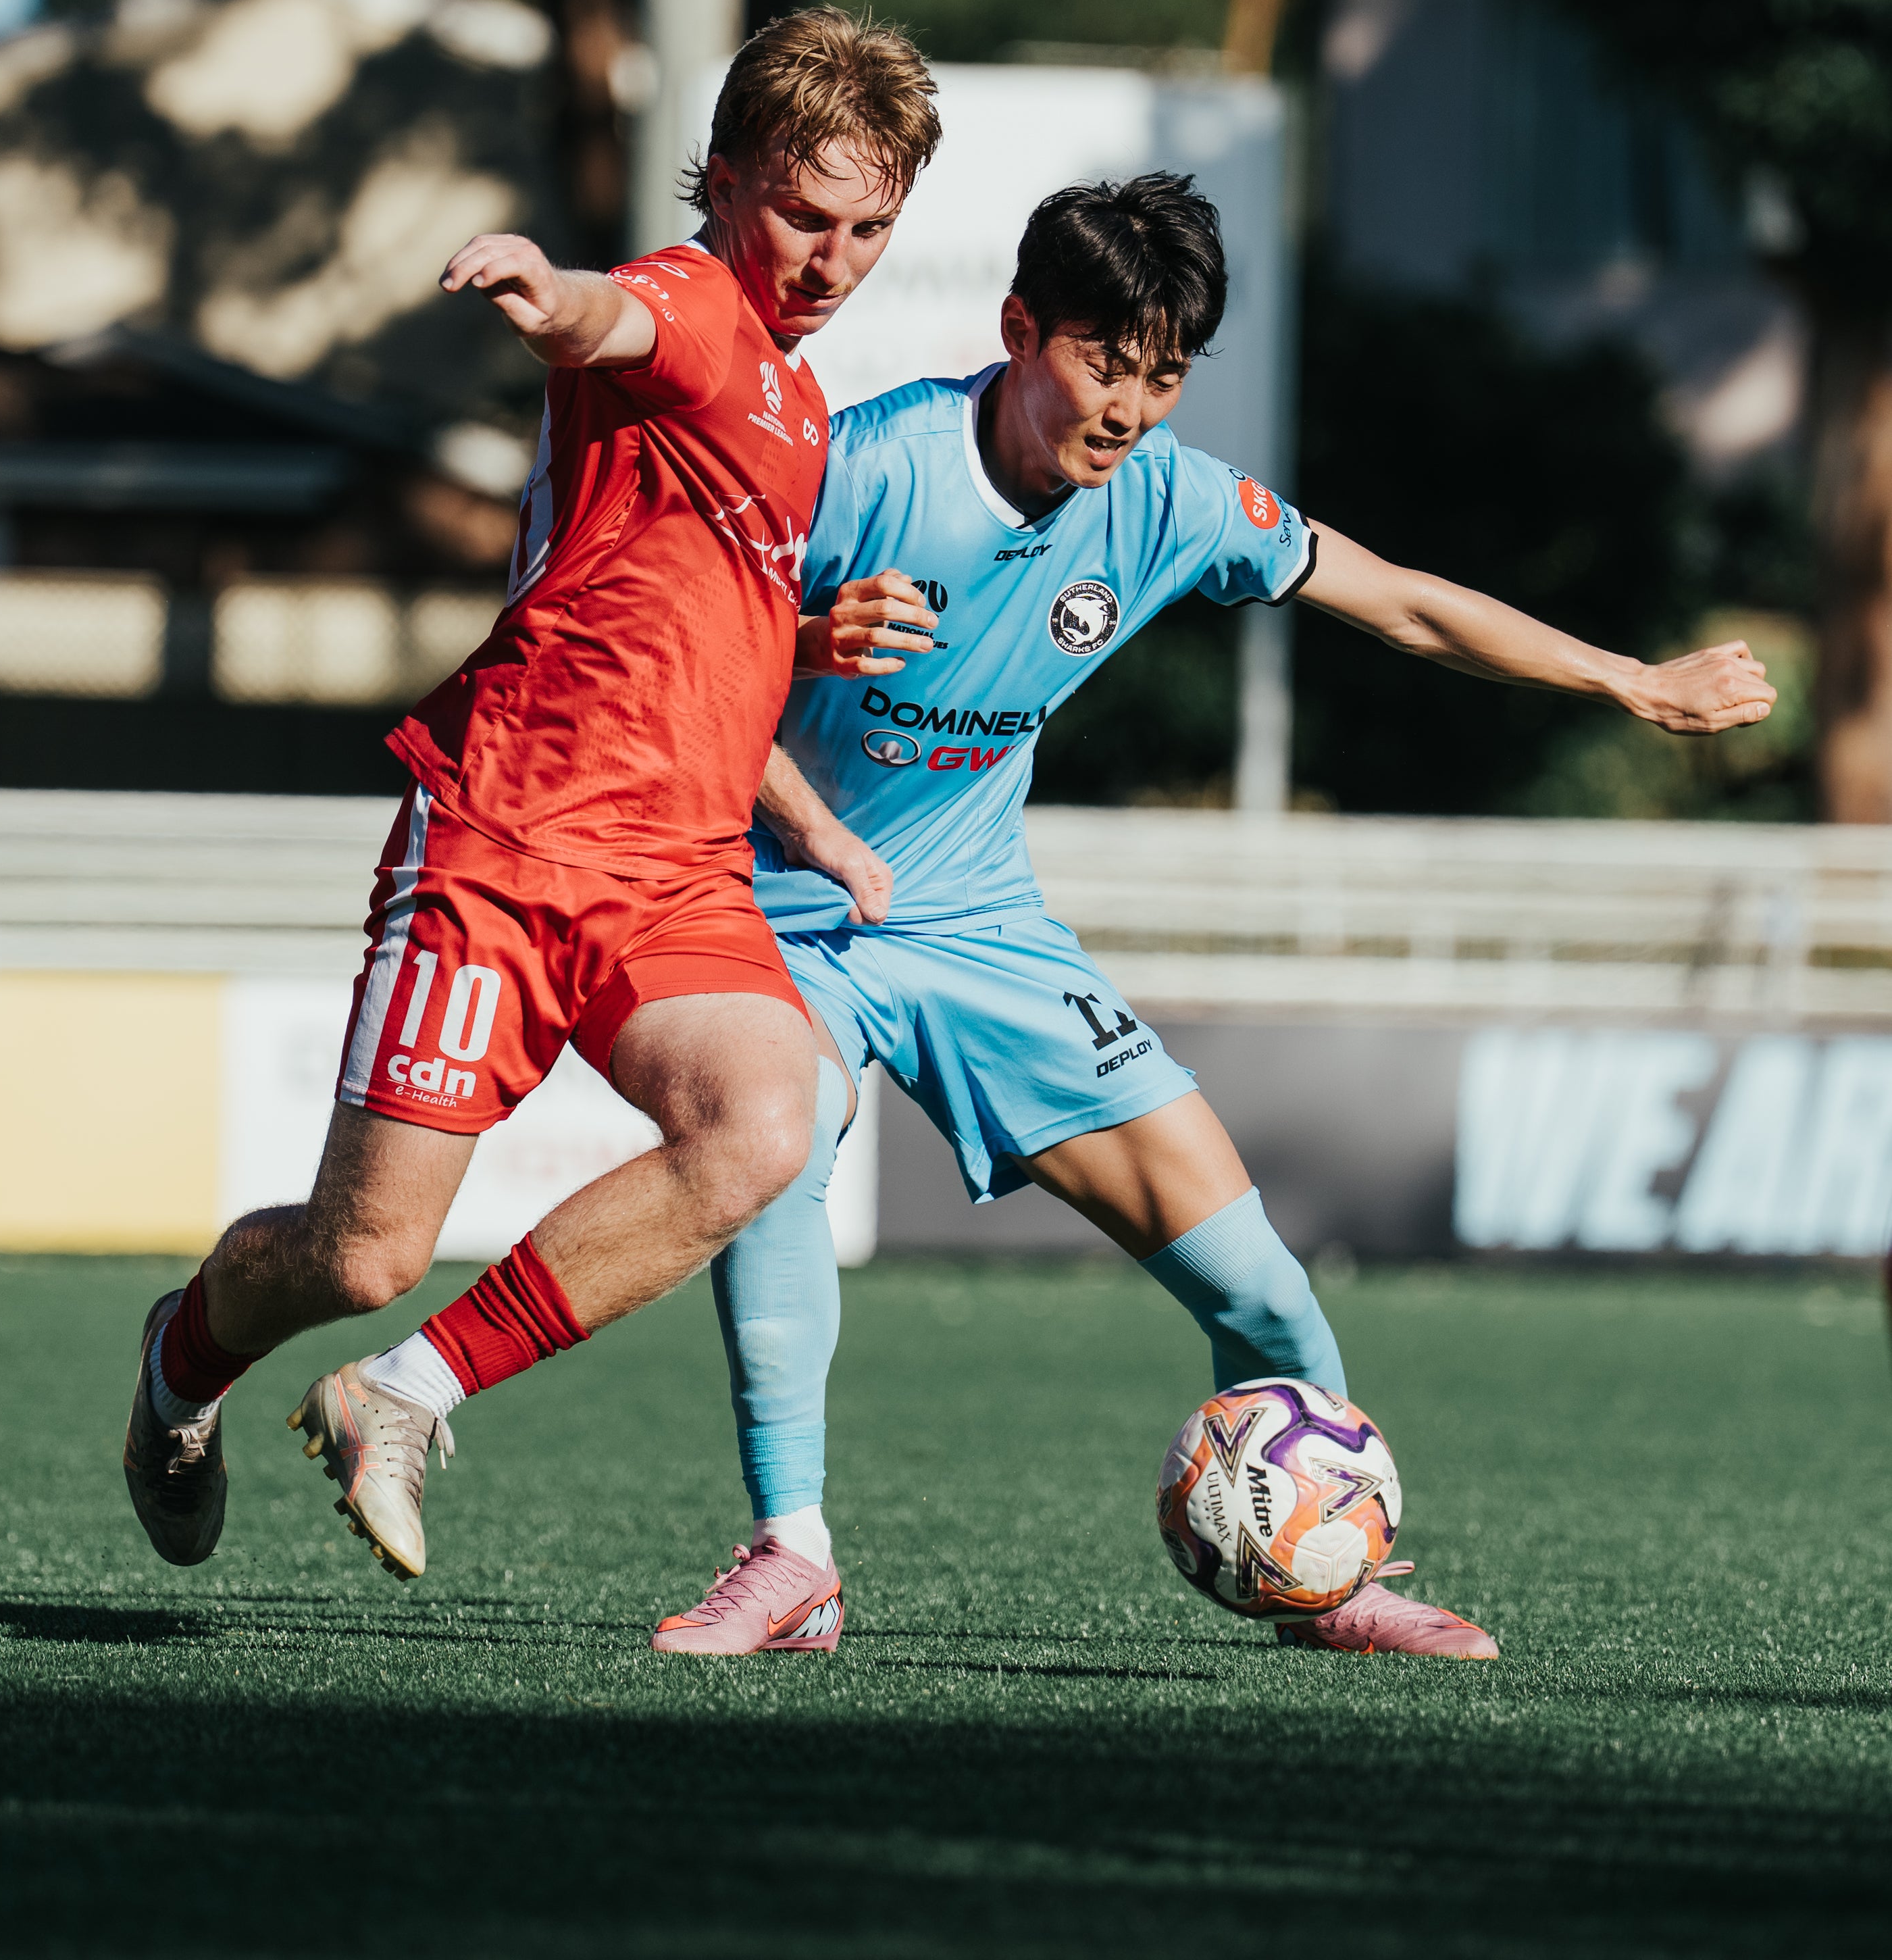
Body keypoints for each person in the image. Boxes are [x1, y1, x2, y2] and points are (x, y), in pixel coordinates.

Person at [648, 173, 1774, 1661]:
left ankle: (1330, 1571)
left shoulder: (1176, 502)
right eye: (1101, 361)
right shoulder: (859, 468)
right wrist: (807, 717)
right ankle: (794, 1556)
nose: (1129, 406)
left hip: (980, 925)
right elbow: (671, 660)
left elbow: (1407, 602)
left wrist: (1627, 680)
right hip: (779, 907)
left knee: (1252, 1273)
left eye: (1164, 372)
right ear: (1018, 329)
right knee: (773, 1143)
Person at [123, 7, 942, 1582]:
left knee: (771, 1117)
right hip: (507, 837)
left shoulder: (803, 402)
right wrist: (541, 288)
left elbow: (695, 636)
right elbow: (609, 322)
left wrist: (810, 750)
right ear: (718, 181)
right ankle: (184, 1359)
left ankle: (407, 1394)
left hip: (677, 871)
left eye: (870, 231)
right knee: (363, 1251)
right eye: (802, 215)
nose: (832, 259)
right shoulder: (695, 303)